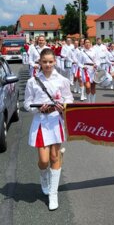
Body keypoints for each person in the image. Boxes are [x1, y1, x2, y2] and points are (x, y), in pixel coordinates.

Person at [24, 48, 74, 210]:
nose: (47, 65)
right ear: (39, 62)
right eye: (44, 62)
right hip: (40, 122)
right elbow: (26, 103)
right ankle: (44, 178)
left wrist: (62, 106)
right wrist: (38, 109)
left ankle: (53, 194)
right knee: (43, 161)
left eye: (50, 62)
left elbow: (69, 99)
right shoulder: (32, 81)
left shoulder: (62, 80)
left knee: (54, 157)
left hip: (55, 121)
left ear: (55, 62)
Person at [78, 38, 100, 103]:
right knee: (88, 86)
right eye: (86, 42)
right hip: (86, 70)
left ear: (90, 43)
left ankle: (93, 103)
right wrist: (83, 66)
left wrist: (96, 65)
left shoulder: (94, 51)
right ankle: (88, 101)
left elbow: (98, 60)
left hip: (93, 69)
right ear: (84, 44)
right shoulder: (82, 52)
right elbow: (79, 62)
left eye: (88, 42)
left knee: (93, 86)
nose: (87, 44)